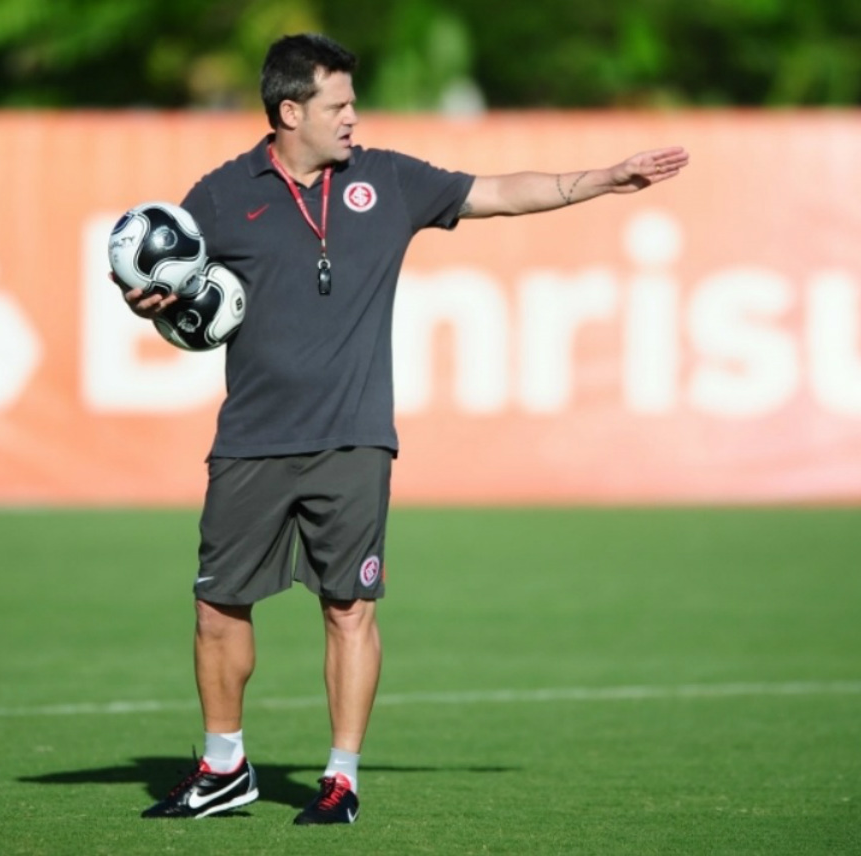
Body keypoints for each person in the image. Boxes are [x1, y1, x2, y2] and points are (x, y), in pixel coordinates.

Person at [125, 33, 689, 825]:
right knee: (218, 607)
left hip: (355, 439)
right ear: (290, 112)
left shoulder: (386, 180)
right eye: (337, 105)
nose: (352, 117)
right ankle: (224, 767)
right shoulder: (219, 196)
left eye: (352, 103)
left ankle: (341, 777)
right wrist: (148, 303)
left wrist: (600, 179)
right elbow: (171, 288)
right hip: (251, 439)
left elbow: (498, 192)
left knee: (348, 608)